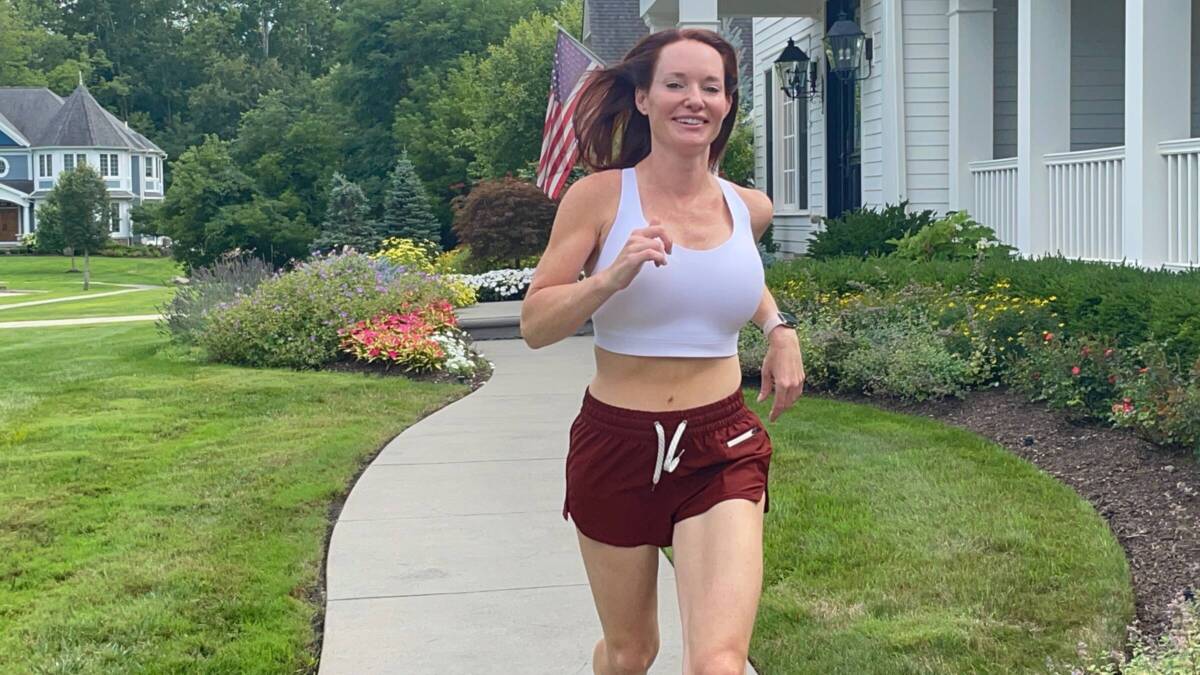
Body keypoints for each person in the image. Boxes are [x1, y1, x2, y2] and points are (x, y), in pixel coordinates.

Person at [520, 28, 805, 675]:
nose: (694, 99)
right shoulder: (599, 198)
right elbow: (536, 323)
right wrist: (609, 278)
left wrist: (779, 326)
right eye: (676, 83)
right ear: (644, 97)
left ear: (729, 103)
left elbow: (732, 274)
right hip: (617, 443)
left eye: (711, 86)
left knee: (718, 662)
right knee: (630, 653)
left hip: (719, 445)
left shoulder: (747, 208)